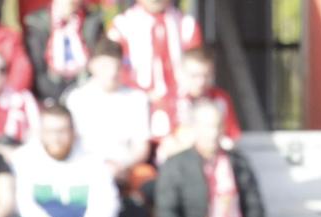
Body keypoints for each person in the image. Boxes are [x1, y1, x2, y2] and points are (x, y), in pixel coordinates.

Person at [155, 100, 267, 217]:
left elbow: (253, 203)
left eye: (217, 126)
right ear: (194, 128)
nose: (213, 133)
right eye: (207, 127)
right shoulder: (176, 164)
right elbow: (166, 209)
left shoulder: (238, 162)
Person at [11, 104, 121, 217]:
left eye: (62, 131)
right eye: (50, 131)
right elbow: (24, 204)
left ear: (73, 131)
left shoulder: (92, 157)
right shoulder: (24, 159)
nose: (56, 138)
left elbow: (106, 199)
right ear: (40, 132)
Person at [65, 37, 151, 180]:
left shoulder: (136, 98)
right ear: (92, 65)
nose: (112, 73)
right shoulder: (76, 98)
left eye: (116, 67)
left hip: (124, 168)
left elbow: (141, 147)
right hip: (84, 166)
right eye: (105, 66)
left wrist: (122, 165)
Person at [150, 47, 240, 162]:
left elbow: (232, 138)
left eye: (206, 75)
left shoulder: (221, 99)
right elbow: (162, 143)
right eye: (194, 76)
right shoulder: (166, 101)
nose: (201, 81)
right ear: (181, 73)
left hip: (214, 161)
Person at [108, 0, 203, 107]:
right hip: (133, 103)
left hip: (181, 103)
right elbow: (112, 68)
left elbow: (198, 67)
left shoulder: (187, 25)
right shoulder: (121, 25)